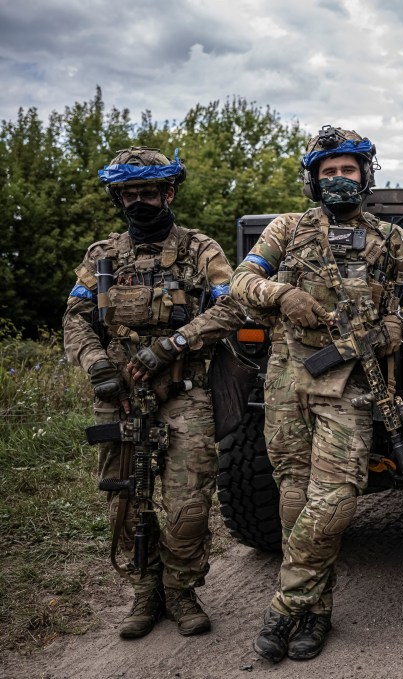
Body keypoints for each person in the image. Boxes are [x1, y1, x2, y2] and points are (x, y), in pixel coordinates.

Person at [230, 126, 403, 663]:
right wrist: (283, 293)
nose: (339, 179)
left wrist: (390, 329)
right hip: (289, 377)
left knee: (334, 499)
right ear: (314, 179)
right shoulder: (287, 230)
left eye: (349, 170)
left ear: (366, 176)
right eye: (329, 171)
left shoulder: (391, 239)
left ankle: (284, 605)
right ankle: (316, 611)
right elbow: (241, 281)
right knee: (294, 495)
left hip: (354, 383)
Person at [63, 147, 246, 639]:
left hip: (183, 392)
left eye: (150, 191)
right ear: (118, 198)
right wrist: (99, 366)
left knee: (189, 504)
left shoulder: (200, 250)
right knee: (127, 499)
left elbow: (232, 308)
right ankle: (146, 591)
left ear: (168, 193)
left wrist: (171, 346)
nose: (140, 201)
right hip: (119, 396)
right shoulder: (101, 256)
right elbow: (75, 319)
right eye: (130, 193)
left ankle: (182, 590)